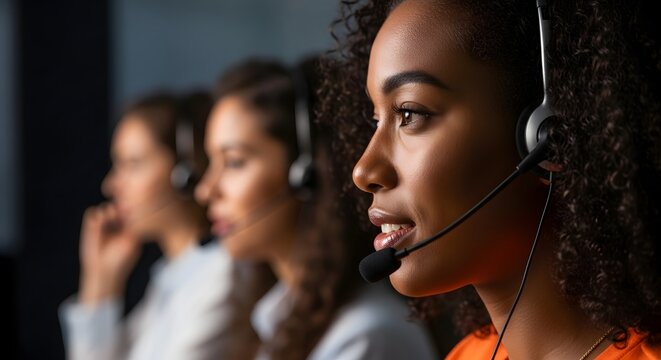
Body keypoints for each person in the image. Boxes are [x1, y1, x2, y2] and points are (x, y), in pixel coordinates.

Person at [318, 0, 661, 359]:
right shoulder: (468, 354)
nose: (363, 171)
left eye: (409, 112)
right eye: (376, 120)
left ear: (550, 136)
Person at [194, 58, 438, 360]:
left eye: (233, 162)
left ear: (304, 174)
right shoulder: (275, 318)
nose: (206, 190)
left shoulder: (368, 337)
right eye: (211, 162)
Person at [59, 92, 269, 360]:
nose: (112, 185)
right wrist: (101, 282)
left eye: (132, 165)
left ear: (185, 172)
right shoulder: (171, 278)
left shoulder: (223, 277)